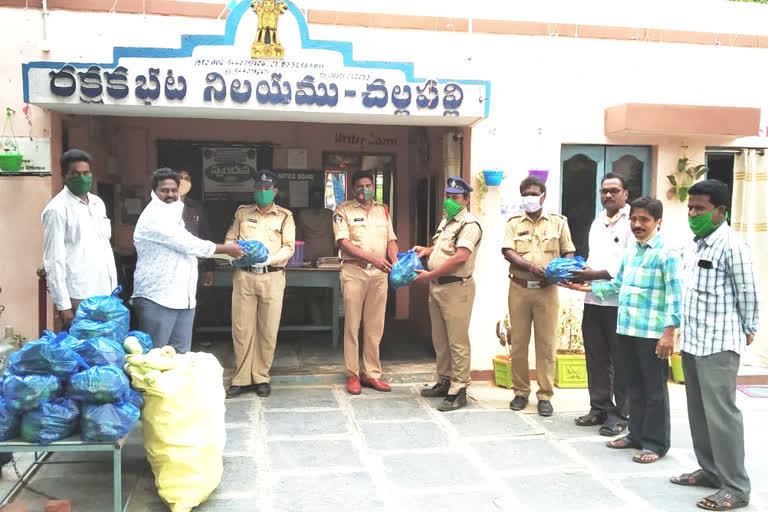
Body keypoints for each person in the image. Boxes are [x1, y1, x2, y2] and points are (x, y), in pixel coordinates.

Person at [670, 180, 758, 511]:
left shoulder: (732, 245)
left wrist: (749, 327)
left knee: (722, 415)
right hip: (694, 341)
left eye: (700, 209)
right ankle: (709, 470)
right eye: (690, 208)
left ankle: (735, 486)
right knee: (698, 412)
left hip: (719, 343)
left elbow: (748, 292)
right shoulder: (696, 244)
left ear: (720, 211)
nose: (692, 213)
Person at [583, 197, 682, 464]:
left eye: (644, 220)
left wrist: (669, 333)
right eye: (634, 219)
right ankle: (635, 434)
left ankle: (656, 443)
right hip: (627, 329)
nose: (637, 224)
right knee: (632, 386)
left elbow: (676, 296)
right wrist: (589, 288)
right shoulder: (632, 251)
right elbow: (619, 284)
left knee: (654, 390)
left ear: (658, 222)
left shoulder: (667, 253)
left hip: (652, 334)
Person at [132, 168, 244, 354]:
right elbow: (186, 243)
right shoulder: (154, 215)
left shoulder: (174, 213)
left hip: (183, 298)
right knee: (153, 360)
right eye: (164, 190)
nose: (170, 194)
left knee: (180, 359)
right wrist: (226, 250)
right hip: (158, 298)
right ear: (154, 191)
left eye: (174, 190)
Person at [501, 175, 575, 416]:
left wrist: (558, 271)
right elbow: (508, 251)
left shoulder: (558, 223)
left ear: (544, 195)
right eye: (525, 194)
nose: (529, 198)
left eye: (534, 193)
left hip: (547, 291)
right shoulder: (513, 223)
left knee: (546, 344)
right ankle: (521, 392)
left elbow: (569, 253)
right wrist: (531, 267)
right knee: (519, 343)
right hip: (520, 288)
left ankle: (545, 395)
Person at [568, 173, 633, 436]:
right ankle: (599, 408)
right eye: (604, 191)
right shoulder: (598, 222)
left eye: (614, 191)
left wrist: (591, 275)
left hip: (619, 303)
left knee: (621, 361)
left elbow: (626, 266)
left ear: (625, 194)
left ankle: (621, 414)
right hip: (594, 300)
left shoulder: (633, 222)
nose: (608, 195)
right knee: (596, 357)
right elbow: (594, 260)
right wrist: (578, 273)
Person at [413, 177, 482, 411]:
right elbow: (444, 248)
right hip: (438, 288)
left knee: (457, 341)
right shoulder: (448, 222)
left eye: (456, 197)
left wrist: (429, 275)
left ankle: (459, 388)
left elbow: (460, 257)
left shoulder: (470, 225)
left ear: (466, 199)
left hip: (456, 288)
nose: (451, 201)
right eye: (449, 196)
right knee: (440, 338)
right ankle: (444, 380)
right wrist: (427, 250)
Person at [225, 170, 295, 398]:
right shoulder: (242, 213)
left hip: (272, 276)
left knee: (268, 329)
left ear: (275, 190)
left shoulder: (285, 216)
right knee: (242, 329)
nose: (263, 192)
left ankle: (262, 376)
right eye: (259, 188)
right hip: (244, 276)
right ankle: (242, 378)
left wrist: (270, 259)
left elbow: (289, 247)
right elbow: (229, 239)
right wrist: (236, 252)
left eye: (267, 188)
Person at [333, 170, 398, 395]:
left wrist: (396, 262)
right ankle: (352, 374)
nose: (364, 189)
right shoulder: (342, 211)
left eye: (368, 185)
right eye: (360, 186)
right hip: (354, 272)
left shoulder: (383, 210)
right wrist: (374, 260)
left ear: (374, 187)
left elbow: (391, 240)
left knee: (374, 327)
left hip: (379, 276)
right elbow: (344, 243)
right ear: (353, 189)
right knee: (352, 325)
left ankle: (372, 373)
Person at [41, 148, 118, 328]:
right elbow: (54, 260)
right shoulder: (57, 209)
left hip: (106, 292)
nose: (82, 178)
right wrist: (64, 306)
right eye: (75, 174)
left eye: (86, 173)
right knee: (83, 351)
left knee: (105, 349)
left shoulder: (98, 203)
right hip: (79, 295)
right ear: (64, 176)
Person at [179, 170, 216, 287]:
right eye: (180, 178)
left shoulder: (196, 207)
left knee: (193, 302)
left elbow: (205, 236)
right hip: (169, 267)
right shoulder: (161, 207)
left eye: (187, 179)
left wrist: (209, 268)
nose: (183, 182)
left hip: (194, 266)